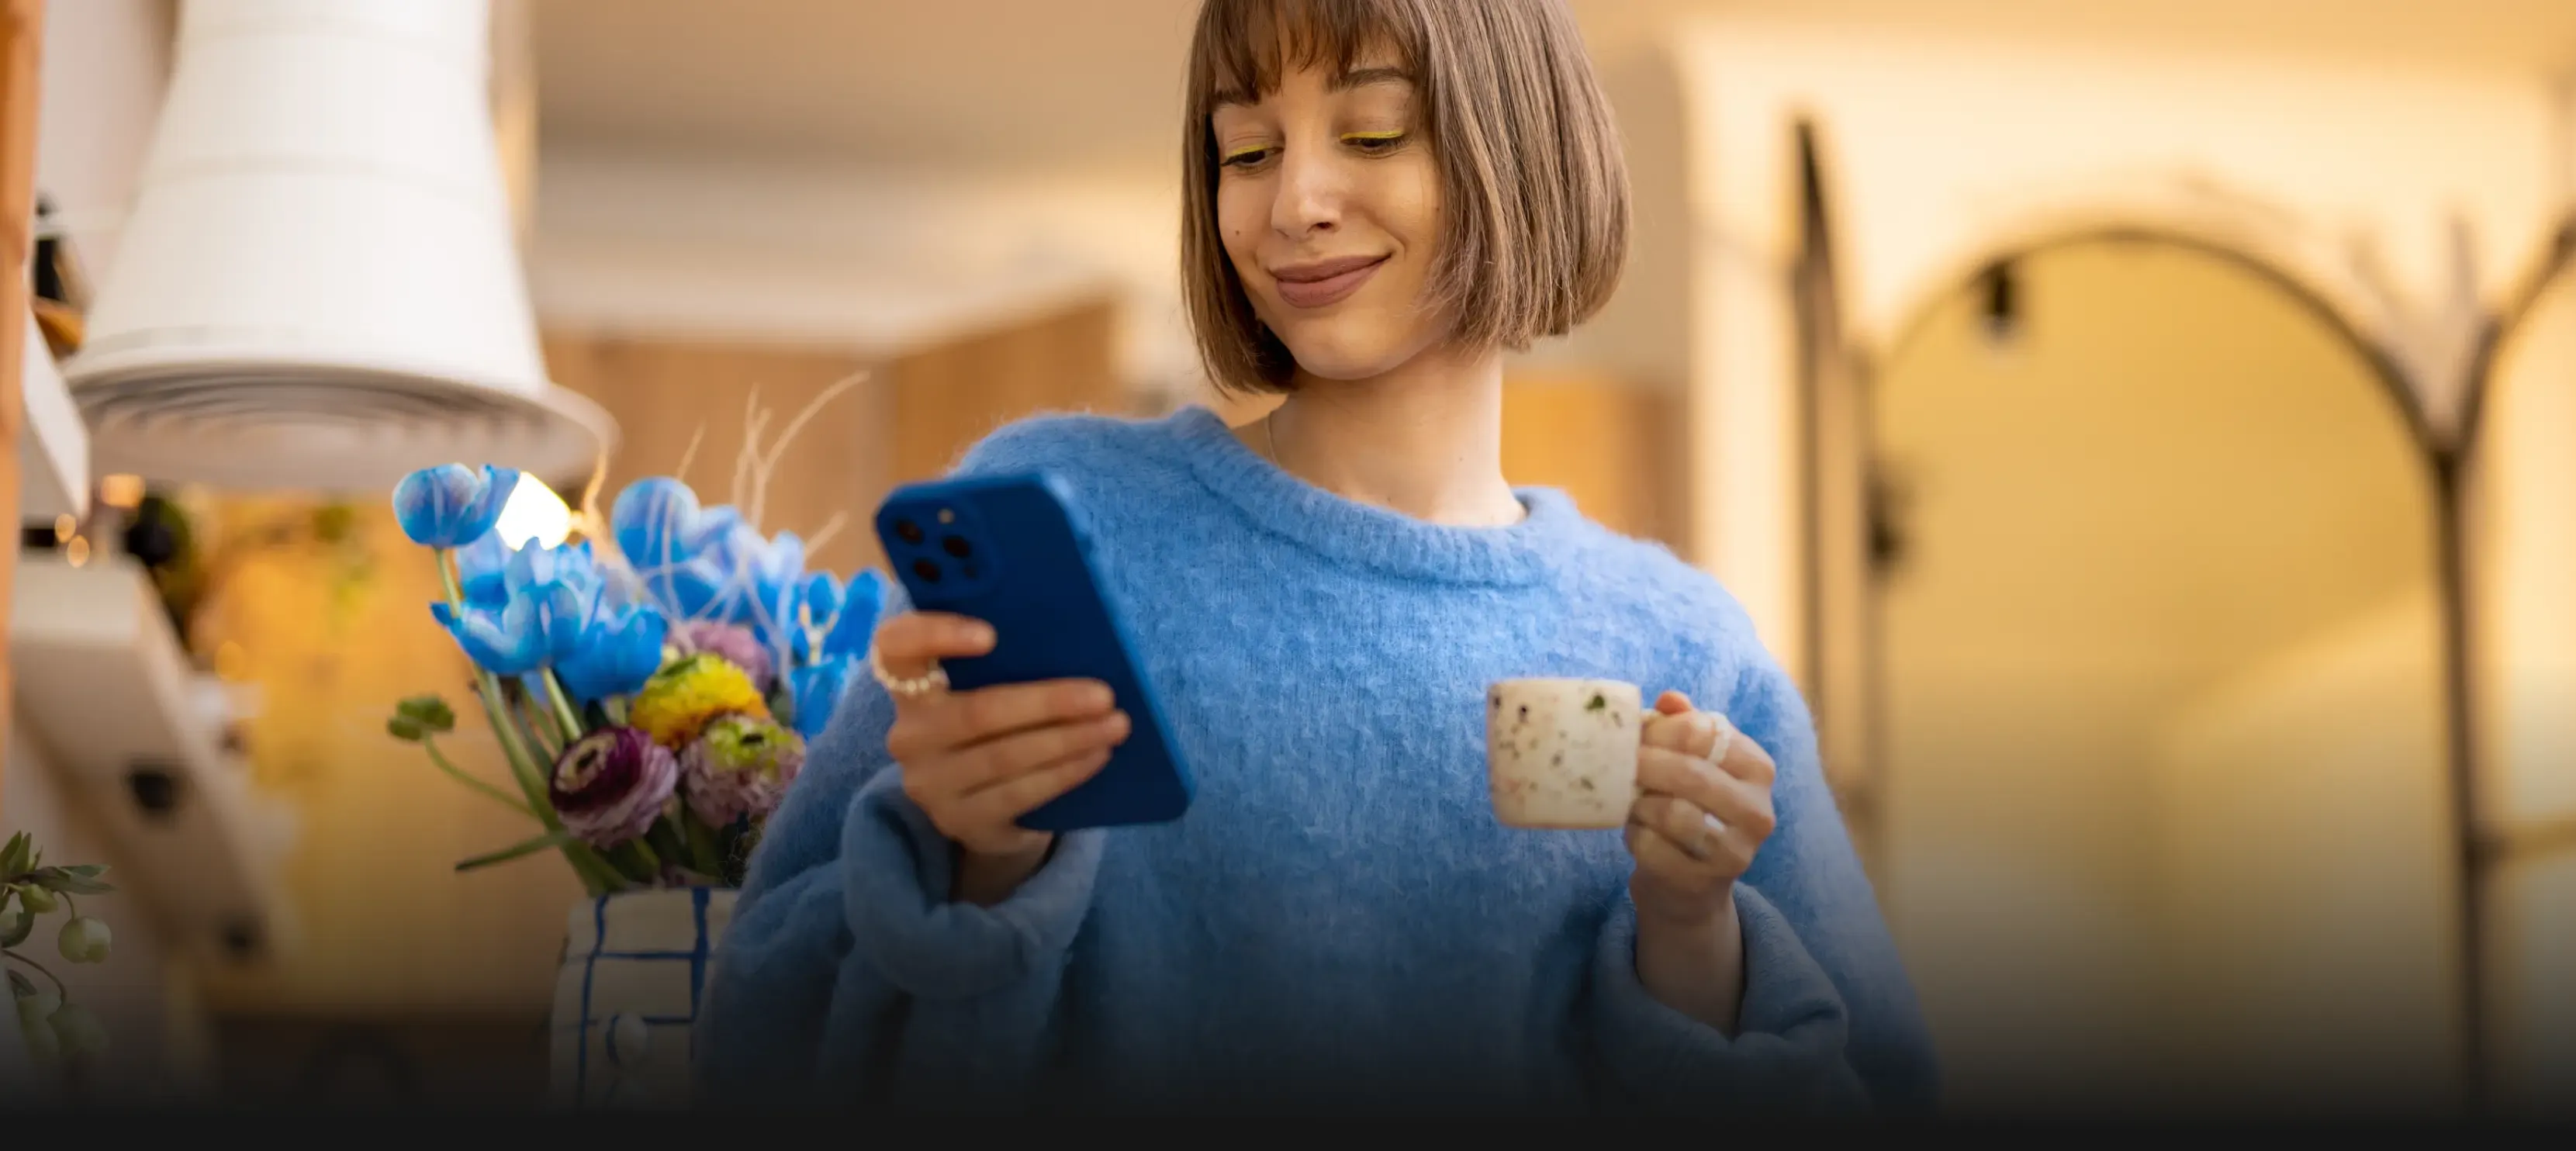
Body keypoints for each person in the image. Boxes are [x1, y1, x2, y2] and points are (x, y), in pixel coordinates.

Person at [697, 0, 1937, 1115]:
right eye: (1245, 150)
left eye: (1375, 132)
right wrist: (979, 868)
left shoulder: (1685, 650)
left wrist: (1690, 937)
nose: (1292, 203)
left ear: (1521, 146)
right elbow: (758, 1049)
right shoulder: (1067, 514)